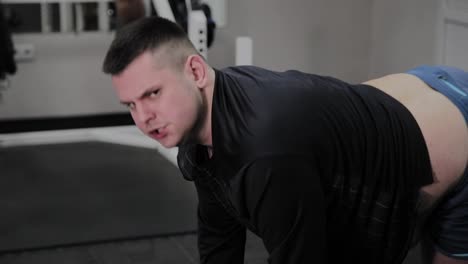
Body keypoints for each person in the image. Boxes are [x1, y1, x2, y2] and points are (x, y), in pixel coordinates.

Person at [102, 16, 468, 264]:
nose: (143, 118)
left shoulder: (266, 150)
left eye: (152, 93)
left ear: (195, 70)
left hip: (458, 130)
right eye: (131, 104)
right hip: (417, 91)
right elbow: (218, 236)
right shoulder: (204, 121)